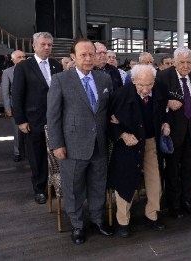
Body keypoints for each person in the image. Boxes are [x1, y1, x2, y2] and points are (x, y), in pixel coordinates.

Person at [47, 38, 114, 245]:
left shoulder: (104, 79)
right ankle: (77, 226)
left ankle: (97, 220)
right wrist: (57, 145)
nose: (87, 58)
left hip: (100, 144)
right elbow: (53, 116)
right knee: (74, 188)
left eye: (91, 54)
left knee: (97, 185)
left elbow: (108, 110)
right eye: (82, 55)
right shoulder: (60, 80)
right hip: (73, 145)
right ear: (73, 57)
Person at [108, 64, 169, 238]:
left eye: (149, 84)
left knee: (155, 179)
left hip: (150, 142)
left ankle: (152, 215)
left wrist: (166, 123)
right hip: (129, 143)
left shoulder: (160, 90)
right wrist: (122, 134)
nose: (145, 89)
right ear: (133, 80)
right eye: (141, 85)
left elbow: (164, 112)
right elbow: (109, 123)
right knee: (125, 181)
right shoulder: (120, 94)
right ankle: (123, 221)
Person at [156, 47, 191, 219]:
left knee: (190, 170)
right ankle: (173, 204)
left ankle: (188, 201)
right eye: (182, 62)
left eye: (189, 62)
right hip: (173, 134)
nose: (186, 65)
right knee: (172, 171)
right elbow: (155, 102)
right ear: (174, 62)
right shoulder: (164, 77)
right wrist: (167, 103)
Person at [12, 32, 63, 204]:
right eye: (43, 44)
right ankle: (40, 189)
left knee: (57, 154)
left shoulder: (57, 66)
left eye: (49, 44)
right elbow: (17, 95)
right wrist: (20, 120)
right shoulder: (24, 67)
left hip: (56, 119)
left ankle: (55, 186)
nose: (47, 47)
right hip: (34, 120)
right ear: (34, 46)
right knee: (37, 156)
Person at [1, 50, 26, 162]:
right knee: (17, 132)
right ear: (13, 60)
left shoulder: (30, 70)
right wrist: (8, 109)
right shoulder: (7, 72)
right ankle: (18, 152)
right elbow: (5, 92)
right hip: (15, 107)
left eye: (24, 57)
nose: (22, 59)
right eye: (19, 57)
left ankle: (29, 152)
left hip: (30, 107)